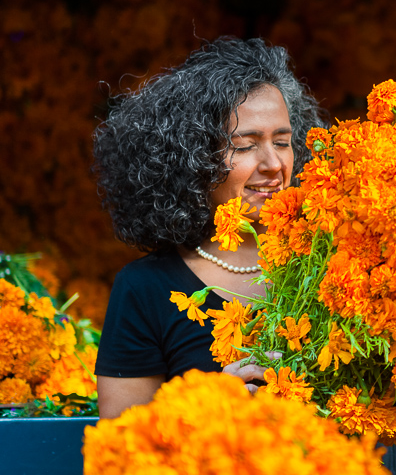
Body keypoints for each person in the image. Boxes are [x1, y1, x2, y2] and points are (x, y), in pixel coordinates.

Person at [92, 37, 327, 419]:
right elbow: (119, 448)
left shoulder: (332, 265)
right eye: (245, 145)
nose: (273, 164)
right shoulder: (144, 289)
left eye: (282, 143)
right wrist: (209, 406)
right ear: (194, 157)